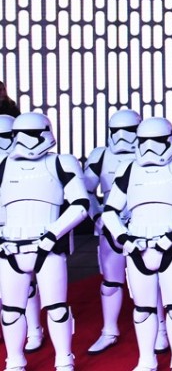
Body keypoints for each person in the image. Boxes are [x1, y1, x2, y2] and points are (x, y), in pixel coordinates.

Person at [102, 117, 172, 371]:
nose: (150, 148)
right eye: (144, 142)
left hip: (171, 246)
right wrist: (124, 237)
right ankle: (146, 359)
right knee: (143, 309)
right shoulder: (128, 169)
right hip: (138, 246)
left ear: (170, 140)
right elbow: (110, 211)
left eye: (157, 141)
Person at [0, 113, 89, 371]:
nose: (23, 141)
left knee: (57, 308)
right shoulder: (4, 165)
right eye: (18, 135)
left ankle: (64, 359)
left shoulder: (62, 163)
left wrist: (52, 234)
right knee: (11, 310)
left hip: (48, 247)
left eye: (30, 134)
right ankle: (14, 360)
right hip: (11, 247)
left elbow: (80, 205)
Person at [84, 109, 170, 355]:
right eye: (116, 131)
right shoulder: (101, 156)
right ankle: (109, 330)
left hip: (144, 228)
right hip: (112, 226)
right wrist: (97, 216)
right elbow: (85, 190)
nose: (122, 137)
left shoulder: (154, 155)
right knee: (111, 281)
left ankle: (161, 329)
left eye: (129, 131)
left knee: (152, 279)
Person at [0, 114, 46, 354]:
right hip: (6, 233)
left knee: (26, 285)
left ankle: (34, 329)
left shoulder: (29, 164)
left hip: (24, 233)